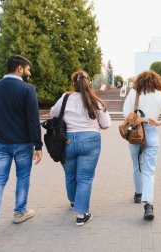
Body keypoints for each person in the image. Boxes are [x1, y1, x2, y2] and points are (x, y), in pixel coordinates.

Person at [0, 55, 43, 244]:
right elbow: (33, 120)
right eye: (27, 69)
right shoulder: (27, 89)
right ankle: (19, 212)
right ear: (18, 68)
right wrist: (38, 145)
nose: (29, 72)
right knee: (22, 176)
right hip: (23, 143)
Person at [50, 70, 111, 226]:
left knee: (70, 175)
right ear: (88, 83)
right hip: (90, 140)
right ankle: (81, 214)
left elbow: (53, 114)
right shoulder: (95, 101)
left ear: (73, 83)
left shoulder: (65, 98)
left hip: (68, 140)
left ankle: (73, 202)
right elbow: (106, 124)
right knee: (85, 178)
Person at [123, 70, 161, 220]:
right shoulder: (159, 95)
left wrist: (137, 118)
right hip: (152, 131)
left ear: (139, 81)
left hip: (135, 133)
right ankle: (148, 205)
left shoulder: (134, 93)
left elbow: (125, 113)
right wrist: (160, 121)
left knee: (137, 165)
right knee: (149, 170)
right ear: (156, 81)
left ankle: (138, 193)